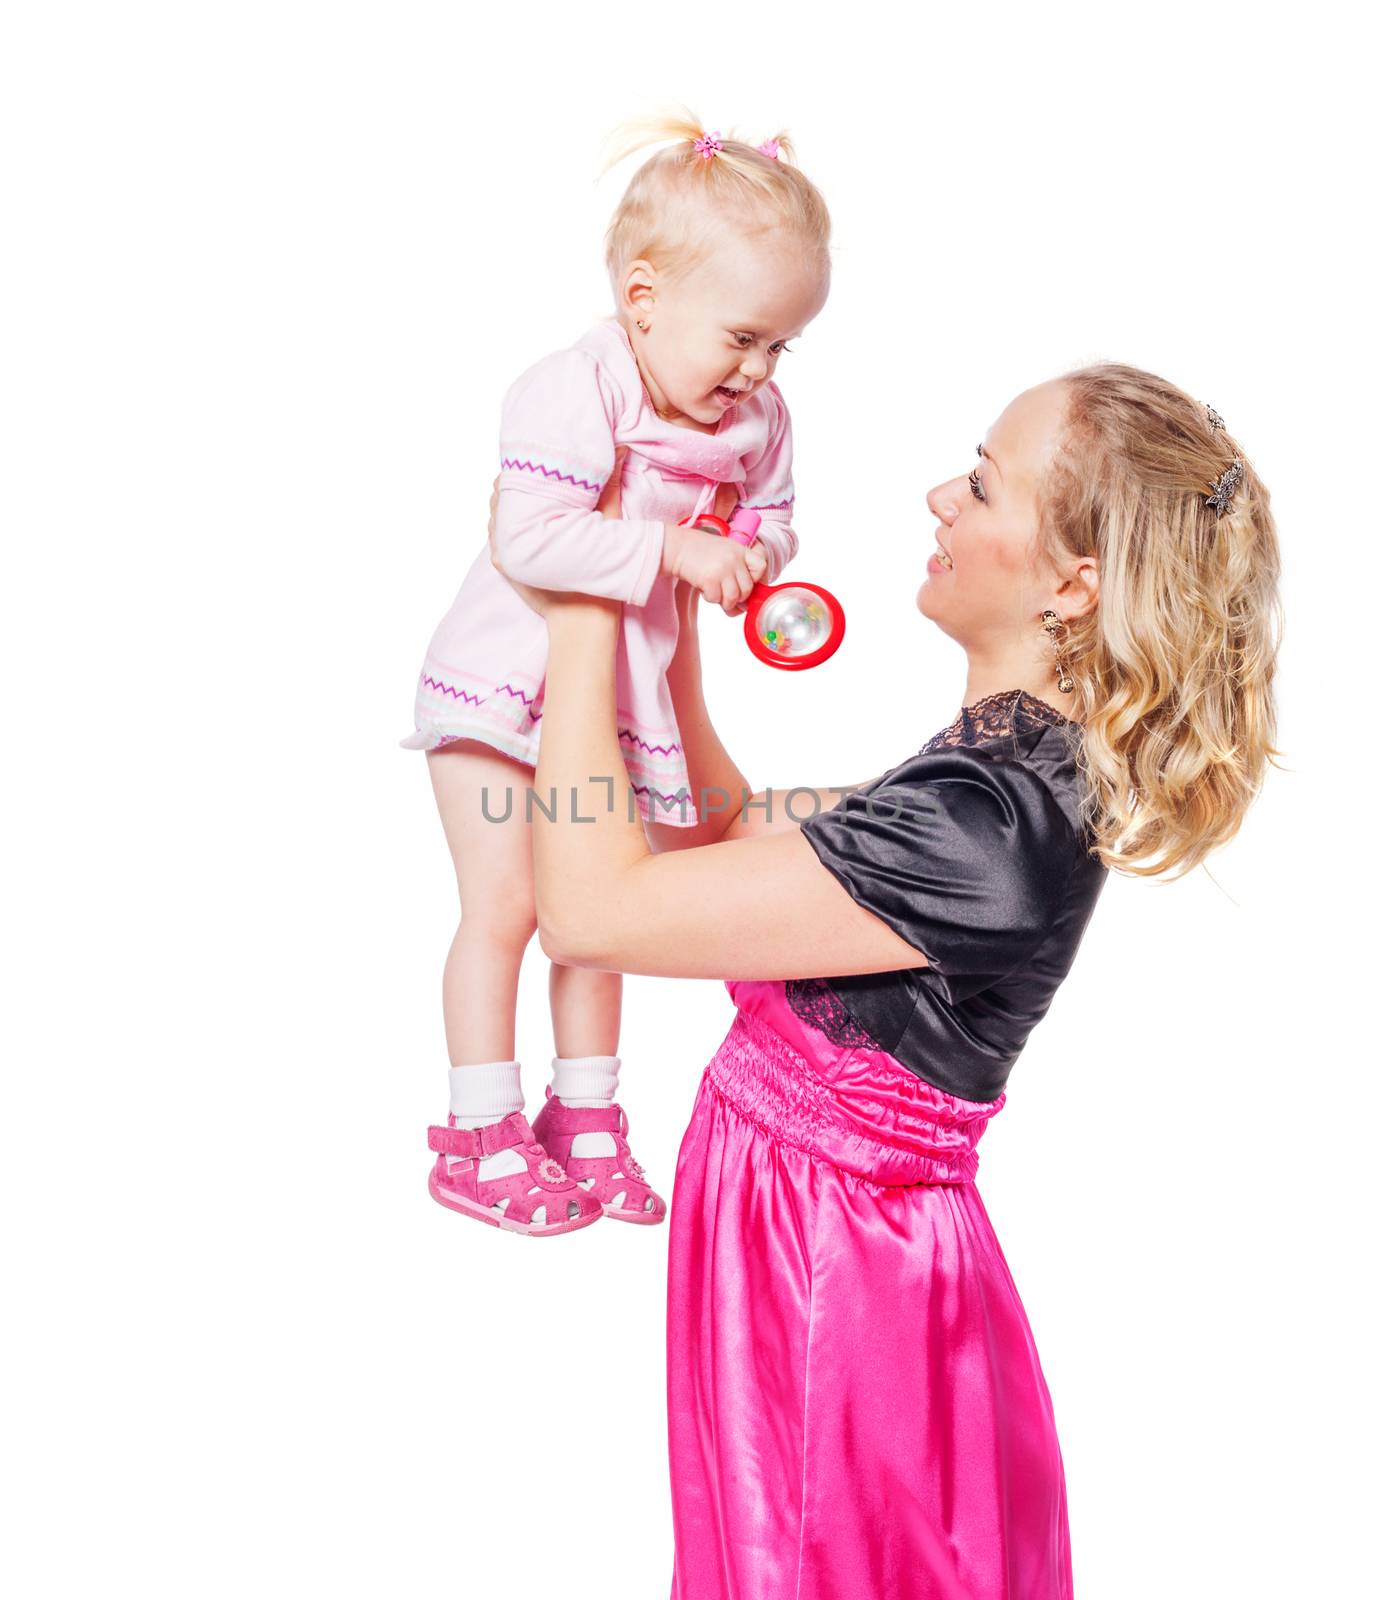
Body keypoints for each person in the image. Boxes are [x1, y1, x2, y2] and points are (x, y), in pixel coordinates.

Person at [488, 364, 1283, 1596]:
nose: (936, 498)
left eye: (978, 483)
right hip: (816, 1250)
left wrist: (588, 602)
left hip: (834, 1284)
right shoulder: (1003, 770)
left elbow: (593, 913)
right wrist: (671, 636)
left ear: (1072, 583)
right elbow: (747, 843)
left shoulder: (985, 822)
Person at [405, 117, 831, 1233]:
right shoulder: (573, 386)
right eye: (741, 338)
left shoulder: (755, 419)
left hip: (617, 705)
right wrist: (675, 550)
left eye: (780, 347)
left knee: (591, 911)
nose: (756, 372)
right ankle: (476, 1123)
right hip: (503, 692)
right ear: (642, 297)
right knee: (504, 903)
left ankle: (582, 1113)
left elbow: (775, 521)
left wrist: (753, 563)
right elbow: (529, 539)